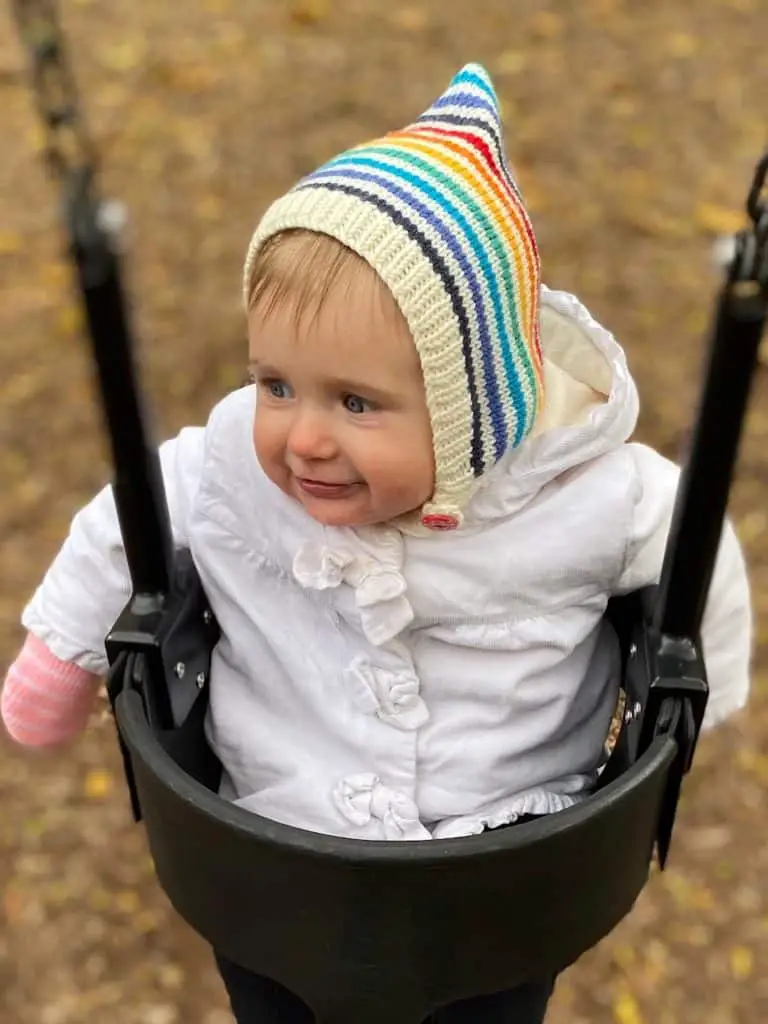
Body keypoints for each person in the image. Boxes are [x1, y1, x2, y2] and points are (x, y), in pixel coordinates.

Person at [0, 63, 752, 1022]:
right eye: (278, 384)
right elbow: (129, 518)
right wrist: (60, 653)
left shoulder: (592, 499)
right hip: (274, 831)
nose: (303, 435)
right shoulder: (236, 459)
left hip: (503, 851)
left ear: (468, 409)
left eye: (355, 402)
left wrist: (706, 690)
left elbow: (698, 552)